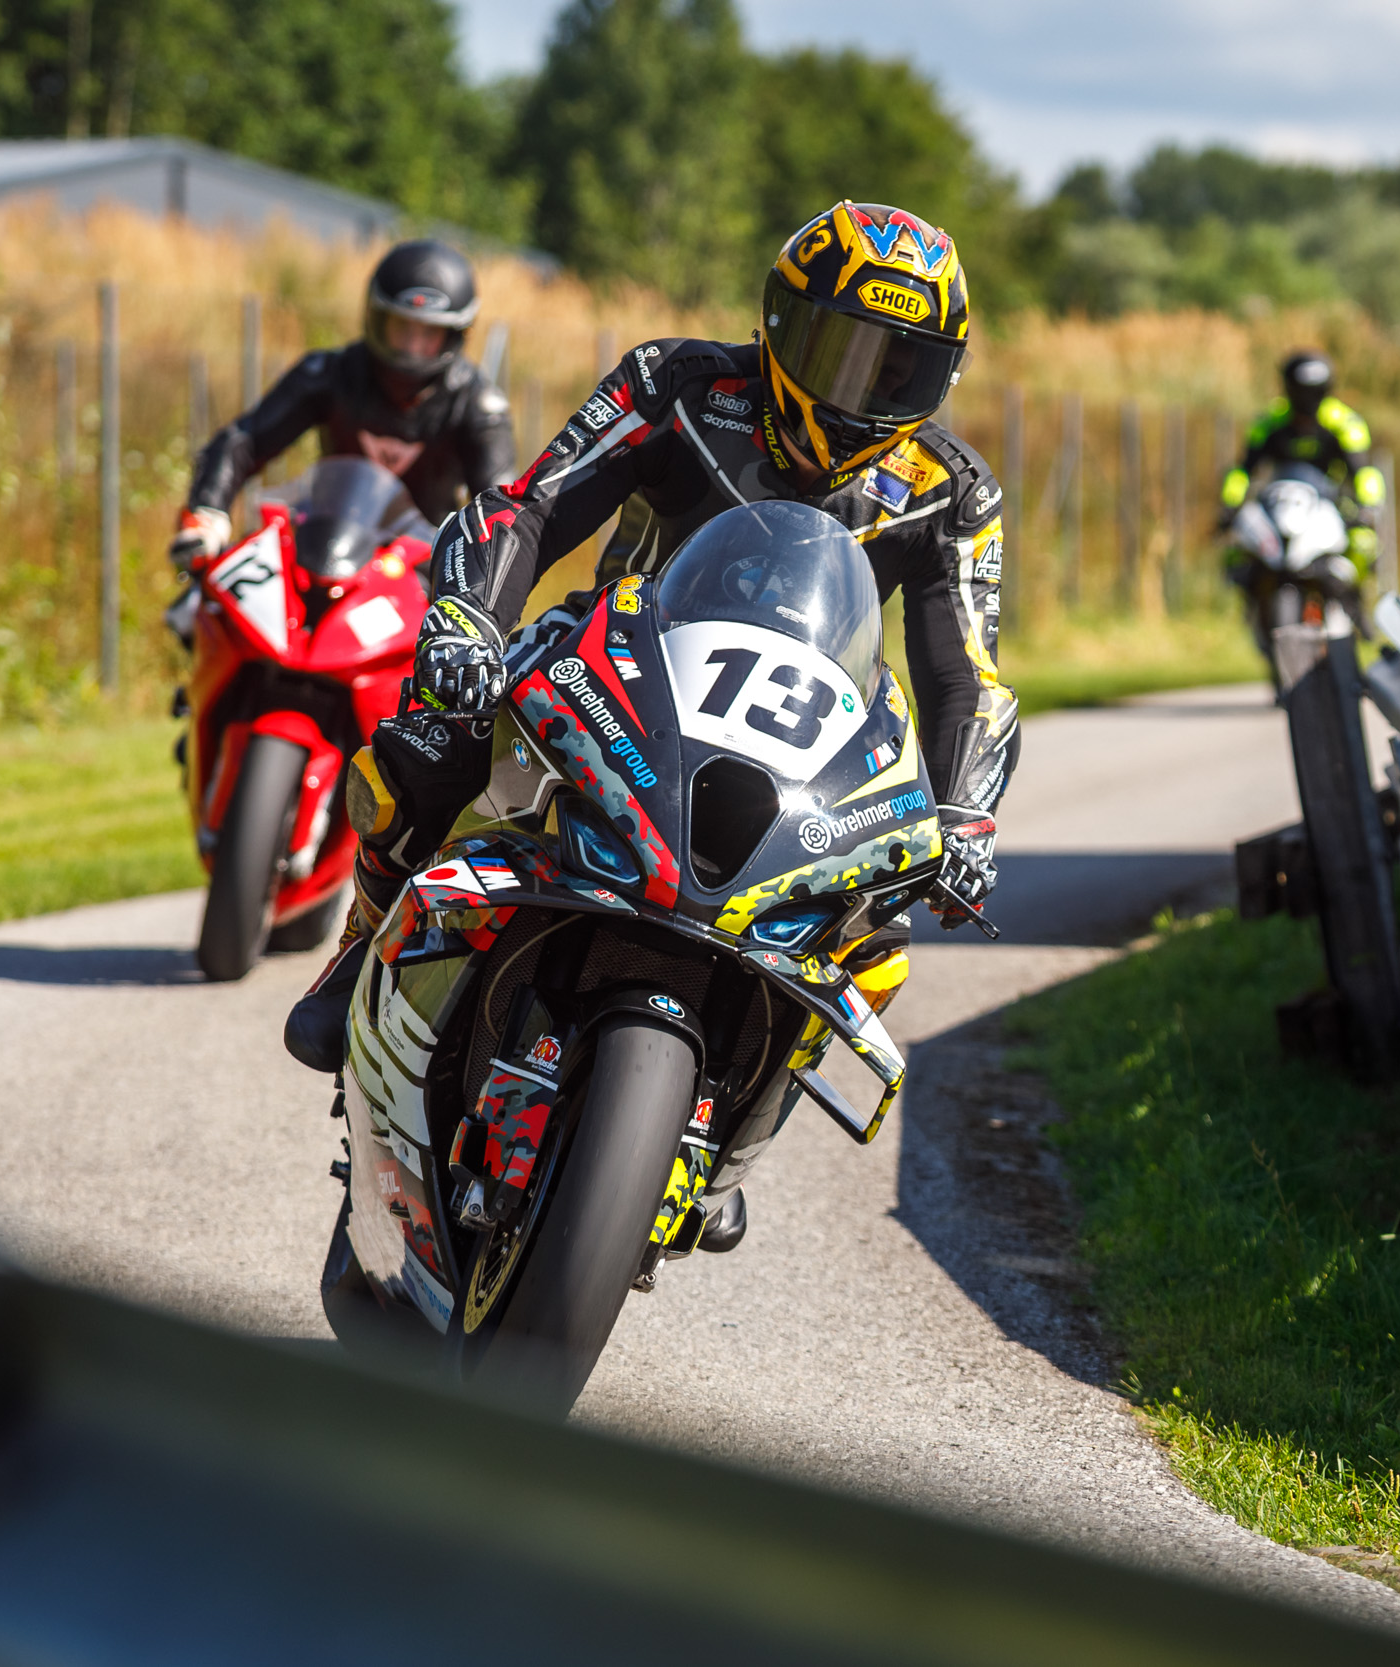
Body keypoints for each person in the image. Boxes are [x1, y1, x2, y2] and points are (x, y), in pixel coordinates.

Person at [282, 202, 1017, 1110]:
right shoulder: (677, 384)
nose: (865, 389)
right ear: (781, 323)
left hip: (807, 732)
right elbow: (531, 506)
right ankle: (362, 943)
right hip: (617, 664)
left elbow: (965, 676)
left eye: (901, 368)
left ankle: (747, 1095)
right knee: (435, 737)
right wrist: (468, 620)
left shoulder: (953, 493)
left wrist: (966, 815)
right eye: (844, 353)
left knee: (881, 922)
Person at [163, 239, 517, 608]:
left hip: (419, 579)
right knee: (197, 611)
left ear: (453, 335)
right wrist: (207, 515)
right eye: (402, 327)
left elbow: (499, 508)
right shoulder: (330, 373)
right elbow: (245, 440)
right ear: (377, 319)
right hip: (319, 554)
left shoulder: (479, 406)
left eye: (428, 333)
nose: (413, 345)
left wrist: (478, 579)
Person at [1217, 350, 1386, 595]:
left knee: (1363, 542)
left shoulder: (1343, 423)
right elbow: (1243, 471)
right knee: (1238, 543)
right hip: (1280, 505)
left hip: (1329, 504)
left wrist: (1369, 506)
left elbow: (1363, 472)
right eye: (1301, 392)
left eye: (1313, 392)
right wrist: (1230, 504)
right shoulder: (1271, 421)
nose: (1307, 400)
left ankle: (1354, 600)